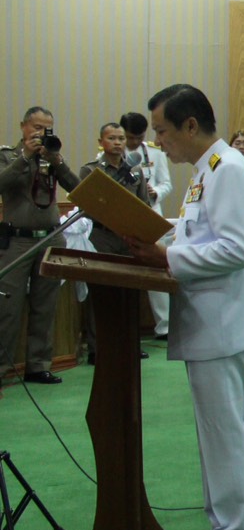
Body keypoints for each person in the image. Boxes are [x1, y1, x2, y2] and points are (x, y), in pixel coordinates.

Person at [125, 84, 244, 530]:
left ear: (191, 126)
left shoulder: (228, 170)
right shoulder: (206, 171)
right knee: (215, 434)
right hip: (213, 319)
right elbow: (203, 232)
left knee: (223, 433)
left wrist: (167, 255)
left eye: (164, 131)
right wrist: (165, 232)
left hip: (226, 322)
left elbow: (237, 249)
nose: (160, 142)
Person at [0, 106, 81, 383]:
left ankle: (38, 365)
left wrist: (57, 161)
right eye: (35, 127)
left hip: (50, 236)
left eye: (46, 128)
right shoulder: (8, 156)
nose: (40, 133)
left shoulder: (52, 157)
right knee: (7, 308)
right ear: (23, 126)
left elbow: (77, 186)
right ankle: (2, 368)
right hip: (17, 240)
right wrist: (25, 157)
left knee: (45, 304)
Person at [77, 121, 154, 364]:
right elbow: (87, 204)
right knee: (101, 293)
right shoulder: (90, 171)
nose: (118, 143)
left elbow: (144, 204)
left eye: (121, 138)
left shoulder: (136, 170)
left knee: (129, 293)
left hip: (128, 237)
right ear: (101, 142)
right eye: (112, 138)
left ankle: (130, 344)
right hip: (102, 236)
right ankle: (97, 348)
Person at [122, 110, 173, 338]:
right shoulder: (112, 152)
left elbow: (167, 184)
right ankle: (127, 328)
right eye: (130, 137)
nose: (135, 142)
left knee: (157, 270)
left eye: (139, 137)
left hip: (151, 214)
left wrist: (156, 192)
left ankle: (165, 326)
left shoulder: (154, 152)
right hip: (124, 218)